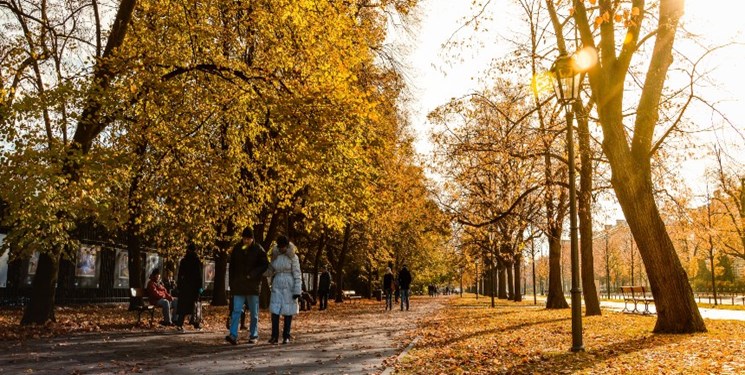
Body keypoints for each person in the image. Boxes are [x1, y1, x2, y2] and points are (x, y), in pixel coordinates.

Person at [225, 227, 269, 345]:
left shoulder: (258, 249)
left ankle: (253, 335)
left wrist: (253, 274)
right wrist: (231, 284)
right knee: (236, 311)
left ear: (252, 239)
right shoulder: (237, 249)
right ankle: (233, 335)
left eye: (248, 239)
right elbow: (232, 267)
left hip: (252, 286)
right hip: (239, 286)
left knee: (254, 314)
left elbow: (265, 264)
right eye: (244, 239)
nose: (246, 241)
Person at [267, 235, 302, 345]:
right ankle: (274, 336)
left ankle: (286, 335)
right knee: (275, 310)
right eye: (280, 246)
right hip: (277, 283)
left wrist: (297, 290)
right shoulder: (275, 256)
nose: (282, 249)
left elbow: (297, 274)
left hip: (289, 284)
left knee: (288, 311)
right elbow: (270, 270)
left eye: (283, 247)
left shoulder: (293, 257)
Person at [175, 243, 203, 332]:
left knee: (183, 307)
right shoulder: (196, 260)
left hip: (184, 287)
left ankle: (179, 324)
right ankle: (196, 324)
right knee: (194, 306)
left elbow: (180, 275)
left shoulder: (184, 260)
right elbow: (199, 275)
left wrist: (179, 286)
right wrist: (200, 287)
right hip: (193, 287)